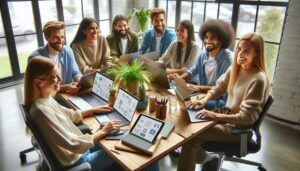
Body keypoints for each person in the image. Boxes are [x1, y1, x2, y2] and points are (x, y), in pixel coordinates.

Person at [177, 33, 270, 171]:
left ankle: (201, 157)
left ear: (256, 54)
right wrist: (204, 100)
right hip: (225, 116)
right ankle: (203, 158)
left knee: (191, 136)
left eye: (246, 51)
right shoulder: (236, 68)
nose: (240, 54)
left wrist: (216, 116)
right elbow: (219, 87)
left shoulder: (258, 79)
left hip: (238, 131)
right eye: (239, 49)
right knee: (188, 120)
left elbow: (247, 118)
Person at [24, 56, 122, 171]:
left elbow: (70, 114)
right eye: (54, 77)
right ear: (39, 83)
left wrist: (93, 110)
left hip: (79, 150)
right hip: (78, 161)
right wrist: (103, 132)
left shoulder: (45, 99)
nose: (60, 79)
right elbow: (72, 144)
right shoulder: (40, 111)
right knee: (121, 150)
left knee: (117, 134)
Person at [180, 19, 235, 109]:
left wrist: (200, 88)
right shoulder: (203, 54)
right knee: (179, 97)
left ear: (221, 41)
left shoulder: (229, 60)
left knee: (189, 104)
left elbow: (223, 89)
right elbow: (192, 71)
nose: (208, 40)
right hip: (203, 94)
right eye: (206, 37)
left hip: (221, 100)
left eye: (212, 38)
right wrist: (180, 80)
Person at [29, 21, 81, 95]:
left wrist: (80, 83)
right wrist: (66, 87)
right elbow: (40, 88)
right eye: (56, 37)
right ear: (47, 37)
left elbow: (76, 73)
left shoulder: (68, 51)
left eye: (62, 37)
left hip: (67, 95)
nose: (60, 41)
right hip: (49, 98)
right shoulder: (36, 58)